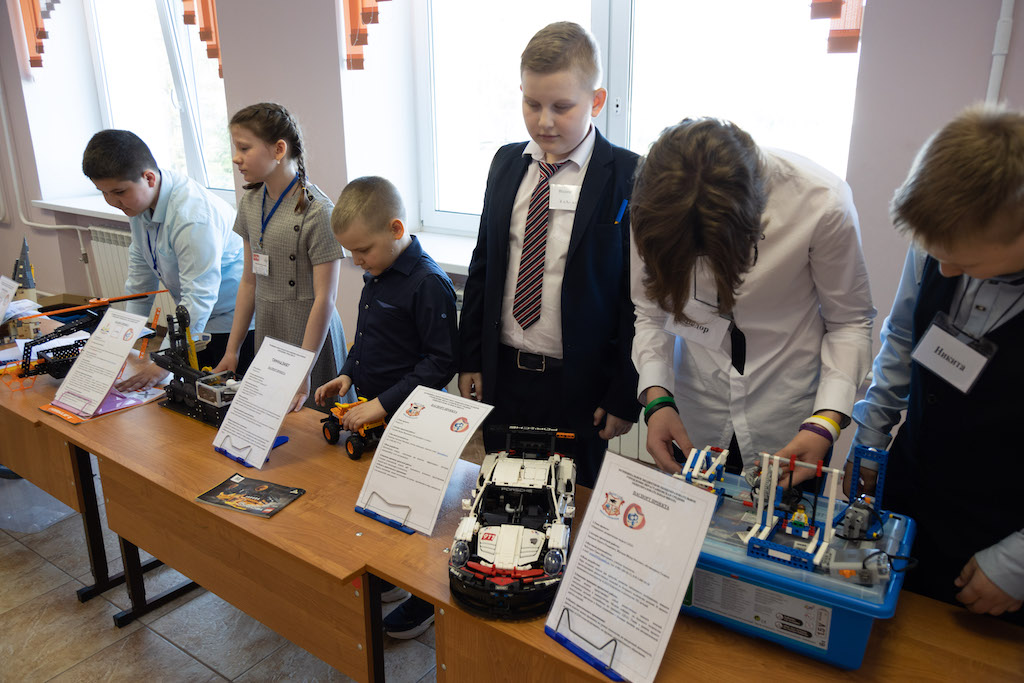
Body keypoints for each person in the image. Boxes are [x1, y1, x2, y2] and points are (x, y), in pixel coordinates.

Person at [849, 105, 1024, 623]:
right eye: (934, 254)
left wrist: (1017, 563)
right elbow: (902, 338)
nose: (944, 270)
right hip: (912, 486)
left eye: (964, 263)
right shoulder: (941, 244)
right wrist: (871, 440)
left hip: (1000, 535)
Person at [631, 118, 875, 479]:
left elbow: (849, 322)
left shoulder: (823, 203)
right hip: (692, 411)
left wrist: (827, 421)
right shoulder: (655, 203)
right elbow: (651, 311)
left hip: (792, 421)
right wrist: (657, 398)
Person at [459, 21, 639, 491]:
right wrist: (471, 356)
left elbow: (637, 299)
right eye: (532, 104)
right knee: (502, 493)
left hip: (579, 385)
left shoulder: (628, 175)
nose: (544, 122)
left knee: (570, 502)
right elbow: (483, 265)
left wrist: (624, 392)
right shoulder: (506, 163)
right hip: (504, 375)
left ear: (596, 101)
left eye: (562, 107)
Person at [314, 175, 459, 640]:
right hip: (375, 409)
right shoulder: (377, 274)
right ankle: (395, 575)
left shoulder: (428, 284)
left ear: (396, 229)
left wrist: (382, 403)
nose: (357, 261)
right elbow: (366, 336)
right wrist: (347, 374)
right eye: (351, 253)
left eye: (363, 251)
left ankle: (425, 596)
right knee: (386, 507)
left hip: (417, 419)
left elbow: (440, 362)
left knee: (420, 514)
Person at [82, 129, 253, 389]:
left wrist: (166, 361)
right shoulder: (138, 204)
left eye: (118, 192)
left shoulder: (192, 216)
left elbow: (199, 296)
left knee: (220, 397)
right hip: (199, 321)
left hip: (234, 325)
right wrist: (121, 342)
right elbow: (140, 280)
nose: (112, 202)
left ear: (149, 178)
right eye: (103, 192)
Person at [214, 103, 352, 412]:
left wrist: (304, 371)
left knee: (320, 419)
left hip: (311, 337)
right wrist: (232, 349)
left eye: (244, 148)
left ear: (279, 149)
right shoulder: (250, 202)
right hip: (270, 327)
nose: (236, 157)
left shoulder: (318, 211)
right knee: (273, 414)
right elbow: (249, 282)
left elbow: (325, 298)